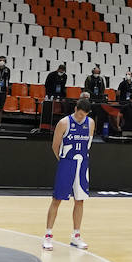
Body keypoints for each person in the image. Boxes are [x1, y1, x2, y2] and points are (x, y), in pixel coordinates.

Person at [45, 96, 96, 251]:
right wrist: (63, 161)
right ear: (75, 109)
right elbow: (55, 146)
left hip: (82, 164)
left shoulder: (91, 123)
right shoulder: (64, 123)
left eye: (85, 115)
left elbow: (88, 145)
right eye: (80, 114)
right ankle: (47, 235)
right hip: (67, 162)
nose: (82, 118)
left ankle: (76, 235)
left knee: (80, 200)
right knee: (57, 199)